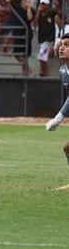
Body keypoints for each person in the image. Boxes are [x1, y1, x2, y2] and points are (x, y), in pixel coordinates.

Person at [45, 34, 69, 169]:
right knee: (68, 149)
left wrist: (58, 118)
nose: (61, 48)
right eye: (61, 44)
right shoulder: (62, 72)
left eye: (67, 45)